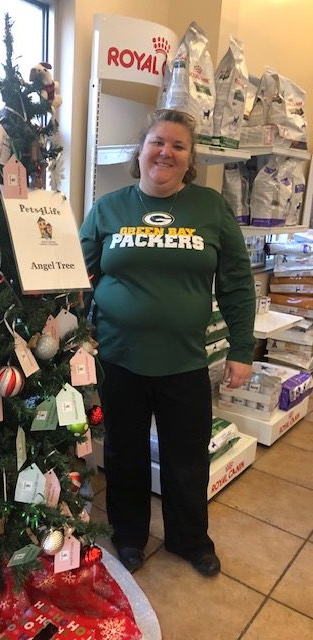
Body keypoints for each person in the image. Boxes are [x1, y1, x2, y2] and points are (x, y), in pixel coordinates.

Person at [80, 108, 256, 577]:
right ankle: (129, 536)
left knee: (187, 458)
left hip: (184, 362)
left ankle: (189, 539)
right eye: (157, 142)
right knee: (124, 453)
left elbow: (237, 283)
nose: (166, 152)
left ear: (190, 159)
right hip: (119, 359)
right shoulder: (108, 209)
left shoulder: (210, 208)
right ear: (140, 151)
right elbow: (78, 278)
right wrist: (72, 337)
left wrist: (242, 349)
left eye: (179, 146)